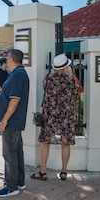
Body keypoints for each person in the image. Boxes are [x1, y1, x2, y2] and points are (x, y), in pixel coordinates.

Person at [31, 53, 79, 182]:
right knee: (66, 143)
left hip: (50, 115)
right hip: (67, 116)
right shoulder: (71, 80)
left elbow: (46, 89)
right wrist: (70, 72)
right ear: (66, 66)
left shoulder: (48, 78)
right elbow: (76, 93)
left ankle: (43, 172)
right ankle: (63, 172)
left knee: (45, 142)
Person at [0, 49, 30, 197]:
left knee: (9, 153)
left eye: (8, 58)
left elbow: (14, 100)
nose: (6, 60)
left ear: (13, 59)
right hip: (16, 121)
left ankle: (11, 186)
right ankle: (19, 182)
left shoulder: (17, 75)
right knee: (16, 152)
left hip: (11, 122)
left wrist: (4, 120)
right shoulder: (19, 74)